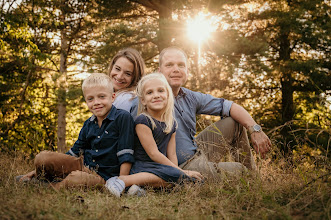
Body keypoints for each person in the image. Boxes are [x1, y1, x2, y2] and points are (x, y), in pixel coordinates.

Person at [132, 47, 272, 177]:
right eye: (169, 65)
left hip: (198, 150)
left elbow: (231, 107)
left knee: (234, 122)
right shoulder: (148, 100)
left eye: (181, 65)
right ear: (159, 72)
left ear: (187, 71)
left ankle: (253, 179)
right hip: (178, 165)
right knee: (239, 170)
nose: (176, 69)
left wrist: (255, 129)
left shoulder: (191, 96)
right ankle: (244, 176)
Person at [17, 73, 136, 190]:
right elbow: (74, 152)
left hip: (103, 177)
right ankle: (38, 177)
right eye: (90, 99)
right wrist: (35, 171)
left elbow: (126, 153)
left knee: (76, 179)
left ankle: (47, 187)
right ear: (86, 101)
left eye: (102, 97)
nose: (96, 102)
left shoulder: (122, 118)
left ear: (112, 97)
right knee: (42, 158)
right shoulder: (88, 124)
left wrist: (121, 183)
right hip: (82, 166)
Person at [105, 73, 203, 198]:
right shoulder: (143, 121)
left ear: (168, 95)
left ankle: (137, 189)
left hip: (160, 167)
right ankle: (121, 181)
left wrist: (176, 172)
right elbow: (153, 153)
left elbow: (171, 154)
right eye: (149, 92)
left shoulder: (171, 123)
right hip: (142, 167)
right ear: (143, 100)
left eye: (161, 91)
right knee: (176, 176)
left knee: (177, 180)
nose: (156, 95)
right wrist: (181, 172)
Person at [108, 48, 145, 112]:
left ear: (135, 78)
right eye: (117, 69)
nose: (119, 76)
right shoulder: (108, 95)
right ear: (112, 67)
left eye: (128, 74)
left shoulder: (127, 99)